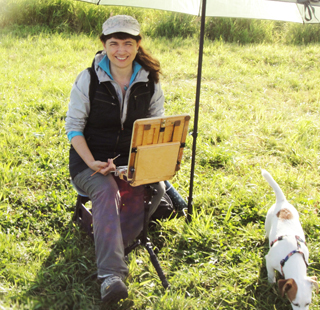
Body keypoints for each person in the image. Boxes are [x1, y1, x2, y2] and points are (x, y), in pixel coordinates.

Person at [65, 15, 165, 306]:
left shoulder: (150, 81)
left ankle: (112, 242)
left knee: (144, 193)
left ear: (137, 45)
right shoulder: (89, 78)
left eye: (128, 43)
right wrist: (94, 163)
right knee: (107, 190)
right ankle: (111, 277)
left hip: (129, 161)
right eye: (114, 44)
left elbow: (154, 130)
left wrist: (127, 167)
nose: (121, 50)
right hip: (88, 161)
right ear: (104, 45)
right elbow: (73, 128)